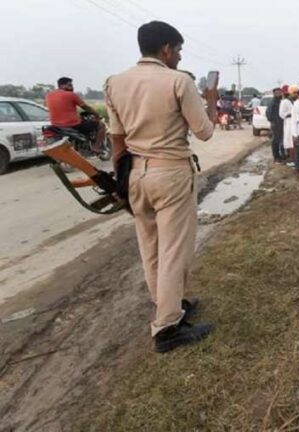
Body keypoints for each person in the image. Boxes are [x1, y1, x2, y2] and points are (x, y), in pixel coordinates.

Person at [104, 20, 218, 353]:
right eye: (179, 50)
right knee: (173, 251)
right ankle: (168, 327)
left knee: (150, 248)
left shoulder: (114, 83)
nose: (180, 57)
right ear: (166, 49)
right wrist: (210, 100)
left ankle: (167, 305)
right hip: (171, 174)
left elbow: (117, 138)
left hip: (136, 175)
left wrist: (119, 182)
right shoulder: (178, 81)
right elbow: (205, 132)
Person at [46, 77, 108, 153]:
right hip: (72, 124)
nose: (72, 87)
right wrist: (96, 114)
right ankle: (96, 147)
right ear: (62, 86)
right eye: (69, 85)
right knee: (101, 125)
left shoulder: (49, 95)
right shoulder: (71, 95)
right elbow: (85, 107)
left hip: (55, 125)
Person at [280, 85, 298, 166]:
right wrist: (291, 114)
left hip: (294, 123)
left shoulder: (294, 102)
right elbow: (281, 114)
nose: (295, 94)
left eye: (296, 93)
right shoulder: (285, 102)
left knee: (294, 141)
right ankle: (292, 159)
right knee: (290, 141)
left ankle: (295, 158)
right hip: (289, 123)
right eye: (294, 93)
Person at [265, 87, 285, 164]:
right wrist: (274, 121)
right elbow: (268, 114)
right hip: (276, 124)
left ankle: (280, 156)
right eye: (277, 93)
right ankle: (276, 157)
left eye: (280, 93)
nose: (279, 94)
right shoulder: (272, 102)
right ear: (274, 94)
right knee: (275, 141)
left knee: (280, 140)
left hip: (281, 123)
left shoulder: (281, 101)